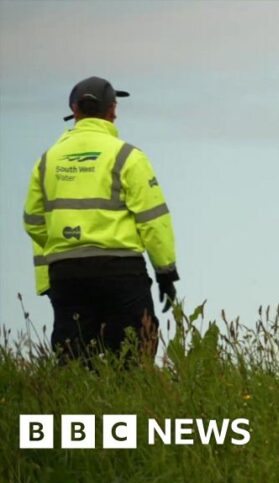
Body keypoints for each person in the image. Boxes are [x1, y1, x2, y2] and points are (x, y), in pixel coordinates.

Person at [23, 76, 178, 365]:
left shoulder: (48, 160)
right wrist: (165, 272)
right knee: (134, 358)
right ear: (112, 110)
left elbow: (33, 222)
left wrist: (59, 262)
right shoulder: (127, 157)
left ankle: (76, 409)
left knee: (74, 364)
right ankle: (130, 409)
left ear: (75, 111)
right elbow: (153, 219)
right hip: (120, 272)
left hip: (66, 274)